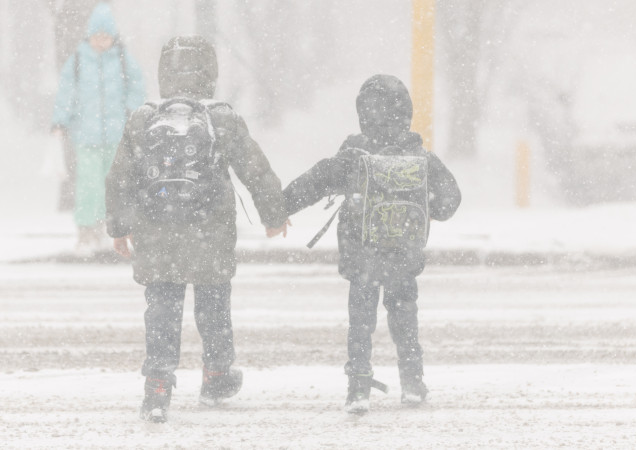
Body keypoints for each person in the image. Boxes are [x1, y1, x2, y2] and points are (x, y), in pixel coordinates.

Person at [105, 36, 289, 423]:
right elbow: (254, 168)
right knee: (214, 307)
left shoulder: (143, 117)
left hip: (156, 234)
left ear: (163, 73)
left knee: (162, 310)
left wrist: (119, 227)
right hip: (211, 232)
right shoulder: (221, 117)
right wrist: (274, 214)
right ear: (210, 72)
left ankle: (157, 384)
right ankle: (217, 374)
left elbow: (120, 177)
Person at [283, 74, 461, 415]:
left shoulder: (353, 154)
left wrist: (277, 209)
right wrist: (422, 207)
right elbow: (450, 202)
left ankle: (358, 388)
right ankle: (412, 382)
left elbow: (315, 181)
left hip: (361, 255)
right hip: (404, 258)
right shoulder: (419, 156)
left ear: (363, 113)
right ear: (405, 111)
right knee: (405, 317)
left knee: (361, 321)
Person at [51, 3, 146, 255]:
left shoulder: (124, 60)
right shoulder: (78, 60)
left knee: (113, 185)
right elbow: (66, 93)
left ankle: (109, 229)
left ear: (113, 37)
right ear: (89, 36)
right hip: (86, 135)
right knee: (87, 184)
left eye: (106, 36)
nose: (101, 41)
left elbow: (137, 88)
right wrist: (59, 121)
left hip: (116, 135)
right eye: (97, 36)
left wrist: (132, 112)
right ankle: (86, 229)